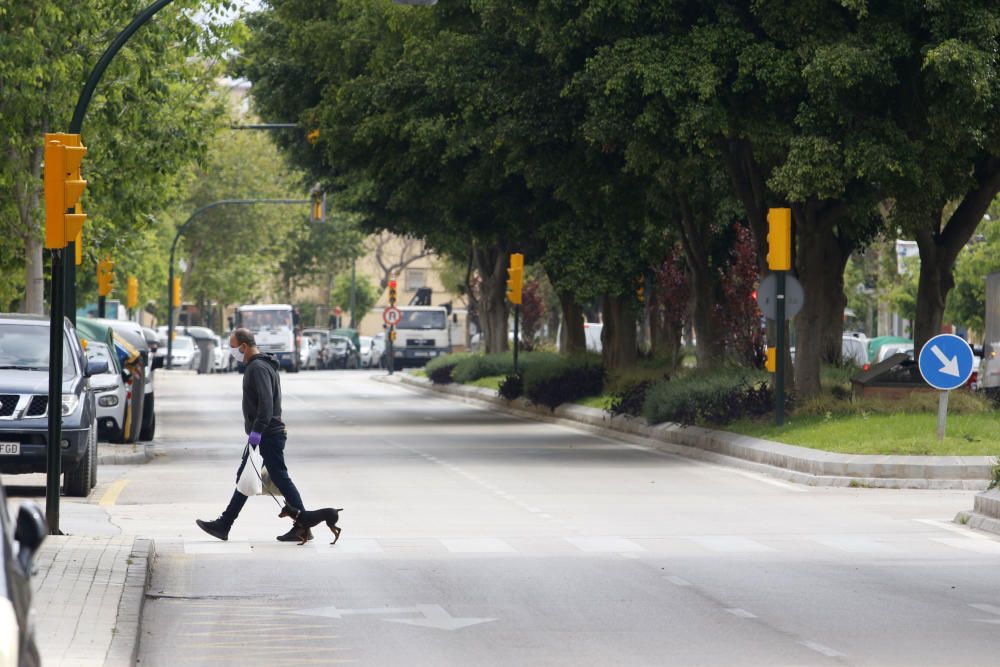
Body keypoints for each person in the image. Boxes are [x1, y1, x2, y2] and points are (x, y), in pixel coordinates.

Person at [196, 328, 312, 542]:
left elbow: (266, 405)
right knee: (249, 477)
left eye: (233, 348)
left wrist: (256, 432)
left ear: (243, 346)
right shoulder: (261, 365)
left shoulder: (257, 367)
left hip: (267, 434)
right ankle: (225, 524)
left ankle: (302, 526)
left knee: (276, 478)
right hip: (266, 433)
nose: (232, 352)